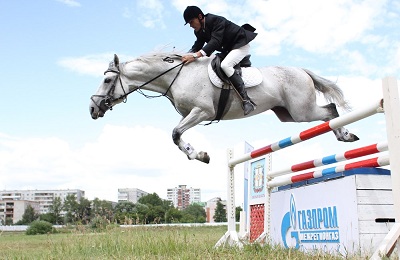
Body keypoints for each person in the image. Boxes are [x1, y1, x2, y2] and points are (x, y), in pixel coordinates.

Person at [181, 6, 257, 115]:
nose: (191, 25)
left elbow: (215, 42)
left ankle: (247, 100)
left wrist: (194, 56)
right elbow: (197, 46)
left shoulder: (215, 20)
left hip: (240, 44)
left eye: (191, 21)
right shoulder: (198, 31)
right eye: (189, 23)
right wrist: (184, 55)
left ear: (200, 17)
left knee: (225, 65)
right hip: (228, 50)